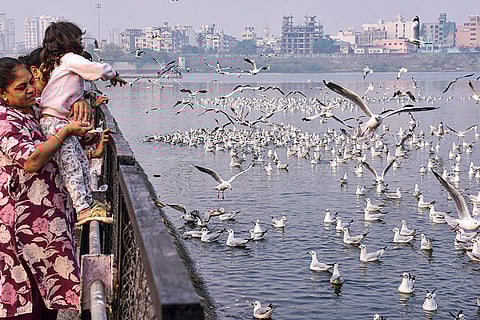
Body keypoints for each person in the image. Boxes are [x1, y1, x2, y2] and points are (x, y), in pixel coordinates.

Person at [0, 57, 91, 318]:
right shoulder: (5, 119)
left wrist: (80, 106)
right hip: (22, 223)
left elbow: (62, 108)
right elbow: (30, 160)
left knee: (50, 294)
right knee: (25, 296)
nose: (30, 89)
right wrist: (64, 134)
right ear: (2, 94)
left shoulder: (37, 108)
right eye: (21, 87)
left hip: (49, 218)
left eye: (30, 82)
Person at [38, 21, 125, 225]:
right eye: (78, 38)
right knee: (72, 166)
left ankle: (88, 201)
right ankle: (83, 210)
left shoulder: (60, 63)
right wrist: (113, 74)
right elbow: (95, 69)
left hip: (59, 120)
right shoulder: (69, 59)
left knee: (80, 160)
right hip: (55, 122)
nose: (81, 42)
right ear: (69, 40)